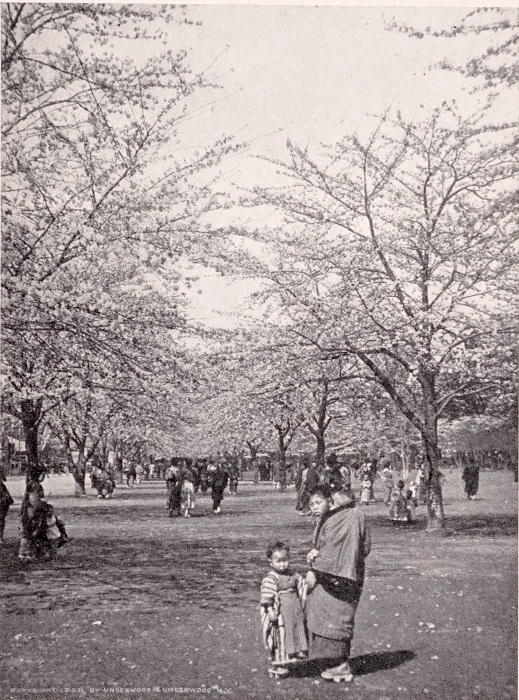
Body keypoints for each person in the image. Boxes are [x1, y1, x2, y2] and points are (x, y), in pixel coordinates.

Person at [305, 485, 371, 682]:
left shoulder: (346, 517)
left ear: (331, 500)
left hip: (337, 577)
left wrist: (316, 568)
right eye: (311, 504)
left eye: (318, 502)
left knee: (336, 617)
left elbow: (334, 549)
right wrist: (317, 553)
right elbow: (365, 547)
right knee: (329, 615)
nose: (314, 507)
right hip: (347, 574)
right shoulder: (352, 515)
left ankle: (340, 665)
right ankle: (332, 661)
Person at [260, 541, 308, 678]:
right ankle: (280, 663)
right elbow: (267, 596)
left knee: (296, 632)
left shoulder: (294, 575)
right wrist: (270, 611)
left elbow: (303, 586)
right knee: (281, 636)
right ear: (271, 562)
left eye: (285, 560)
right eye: (279, 561)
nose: (283, 564)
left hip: (295, 611)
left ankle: (294, 657)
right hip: (282, 612)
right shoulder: (271, 578)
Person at [19, 481, 68, 561]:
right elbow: (31, 512)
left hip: (35, 521)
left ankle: (34, 553)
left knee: (35, 537)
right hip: (31, 521)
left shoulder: (30, 499)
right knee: (28, 536)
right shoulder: (31, 500)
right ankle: (25, 553)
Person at [0, 471, 14, 544]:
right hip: (3, 499)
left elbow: (4, 479)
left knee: (1, 519)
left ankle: (0, 537)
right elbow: (4, 479)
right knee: (1, 519)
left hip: (3, 499)